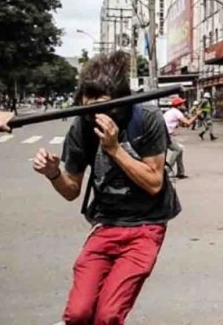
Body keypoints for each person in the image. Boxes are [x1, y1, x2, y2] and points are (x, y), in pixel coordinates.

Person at [30, 51, 180, 325]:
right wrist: (53, 174)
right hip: (105, 224)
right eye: (88, 108)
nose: (95, 115)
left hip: (145, 226)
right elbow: (71, 190)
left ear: (121, 103)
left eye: (104, 106)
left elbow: (154, 183)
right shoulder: (82, 126)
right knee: (78, 314)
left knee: (108, 316)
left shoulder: (146, 118)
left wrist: (113, 149)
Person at [163, 96, 200, 180]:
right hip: (165, 135)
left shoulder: (171, 111)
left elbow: (182, 124)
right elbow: (188, 123)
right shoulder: (177, 112)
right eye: (183, 104)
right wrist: (196, 115)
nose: (184, 105)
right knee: (178, 150)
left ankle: (180, 172)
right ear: (178, 105)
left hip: (165, 134)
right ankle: (167, 171)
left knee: (179, 150)